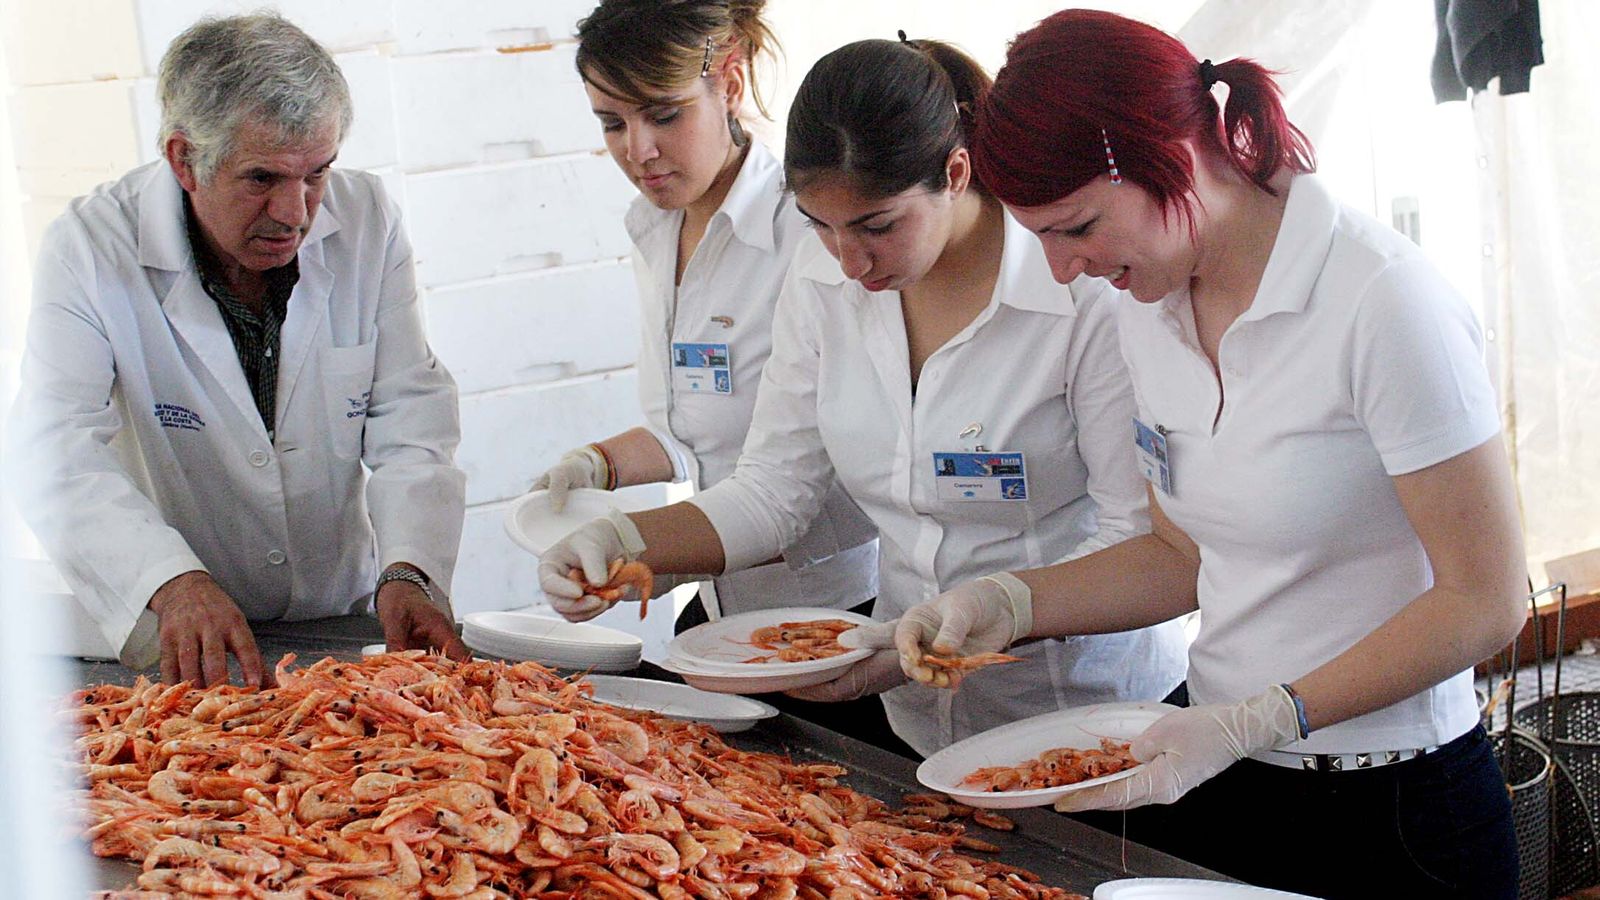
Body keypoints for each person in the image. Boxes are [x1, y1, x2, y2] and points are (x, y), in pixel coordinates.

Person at [894, 10, 1524, 897]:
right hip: (1226, 772)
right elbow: (1181, 553)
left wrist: (1265, 717)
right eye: (1041, 239)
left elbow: (1487, 600)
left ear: (1169, 156)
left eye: (1076, 227)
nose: (1065, 268)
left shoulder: (1381, 300)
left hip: (1395, 800)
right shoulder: (1150, 307)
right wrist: (1010, 601)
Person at [538, 35, 1188, 758]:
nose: (850, 261)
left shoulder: (1077, 291)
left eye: (877, 227)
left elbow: (1139, 539)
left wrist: (997, 608)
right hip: (912, 713)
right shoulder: (822, 283)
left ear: (955, 171)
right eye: (821, 227)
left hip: (1085, 715)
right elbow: (776, 489)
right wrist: (625, 541)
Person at [6, 13, 468, 688]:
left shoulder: (367, 219)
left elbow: (410, 415)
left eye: (317, 174)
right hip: (183, 628)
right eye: (262, 180)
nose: (296, 213)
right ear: (183, 159)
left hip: (333, 611)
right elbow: (54, 448)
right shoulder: (90, 247)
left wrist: (408, 571)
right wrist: (170, 581)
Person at [533, 0, 878, 631]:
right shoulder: (655, 225)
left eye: (664, 115)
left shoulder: (811, 235)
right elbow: (706, 422)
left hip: (839, 605)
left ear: (731, 84)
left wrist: (648, 550)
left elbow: (828, 468)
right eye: (611, 124)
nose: (639, 151)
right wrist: (599, 463)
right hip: (725, 599)